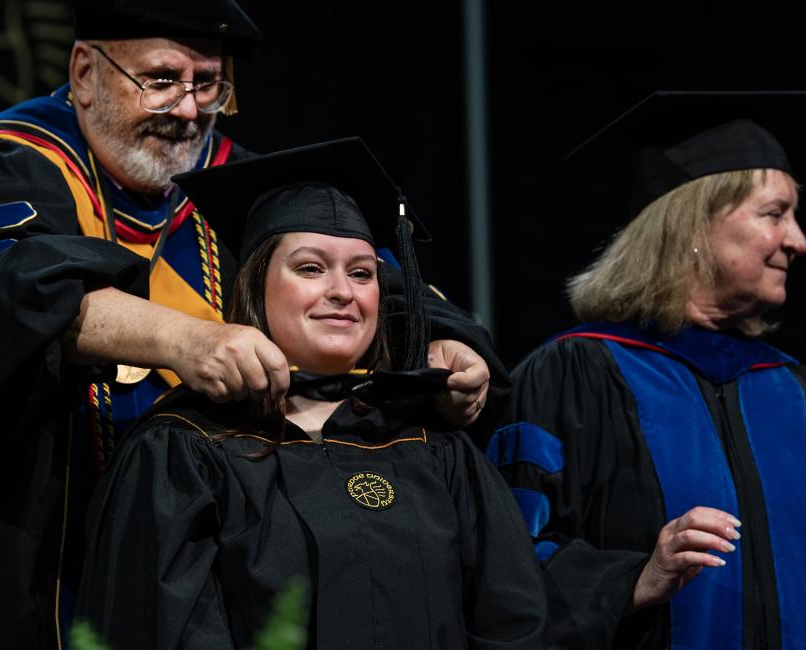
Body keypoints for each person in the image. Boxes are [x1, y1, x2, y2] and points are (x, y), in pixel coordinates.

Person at [0, 2, 503, 648]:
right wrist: (185, 338)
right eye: (162, 81)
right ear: (85, 73)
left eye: (209, 85)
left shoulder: (237, 189)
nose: (188, 110)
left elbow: (377, 285)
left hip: (173, 581)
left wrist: (448, 347)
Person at [488, 93, 806, 649]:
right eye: (774, 213)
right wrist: (631, 581)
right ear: (693, 224)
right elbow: (504, 564)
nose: (799, 240)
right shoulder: (571, 379)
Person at [77, 137, 547, 648]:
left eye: (362, 274)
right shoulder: (184, 452)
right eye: (310, 268)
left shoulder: (435, 449)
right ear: (256, 286)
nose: (343, 291)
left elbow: (512, 623)